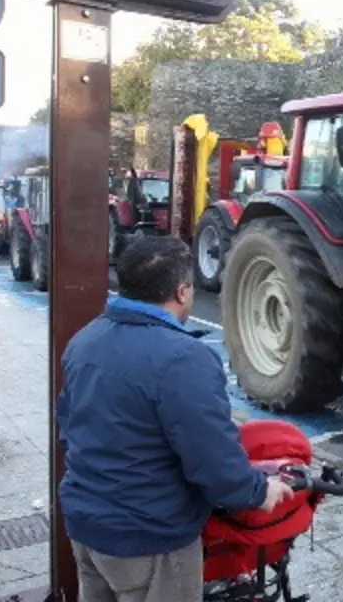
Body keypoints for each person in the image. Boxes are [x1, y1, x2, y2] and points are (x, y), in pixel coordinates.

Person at [57, 236, 293, 602]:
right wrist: (260, 491)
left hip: (86, 526)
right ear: (182, 292)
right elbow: (214, 463)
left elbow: (70, 428)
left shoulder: (84, 341)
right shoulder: (184, 358)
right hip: (149, 539)